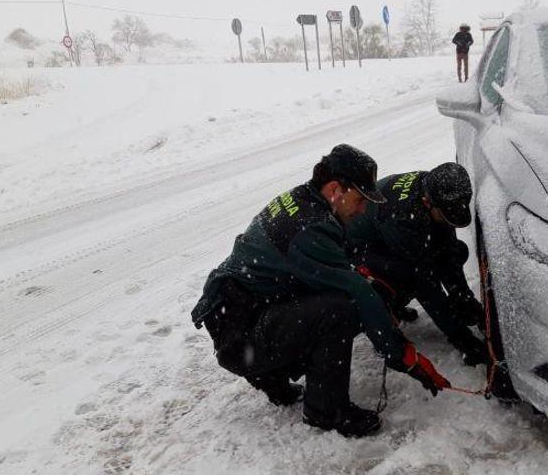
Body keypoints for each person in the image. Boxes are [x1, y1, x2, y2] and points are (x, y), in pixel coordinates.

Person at [190, 144, 451, 438]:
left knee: (337, 299)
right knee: (342, 309)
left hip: (238, 320)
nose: (364, 208)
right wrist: (405, 356)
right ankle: (326, 410)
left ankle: (271, 376)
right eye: (361, 199)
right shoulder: (307, 227)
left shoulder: (306, 202)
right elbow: (357, 293)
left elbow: (336, 259)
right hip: (240, 334)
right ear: (335, 189)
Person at [346, 163, 489, 368]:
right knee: (409, 275)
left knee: (456, 251)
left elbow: (447, 251)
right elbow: (427, 287)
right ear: (427, 202)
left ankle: (401, 300)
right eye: (445, 216)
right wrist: (463, 339)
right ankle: (388, 308)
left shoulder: (438, 188)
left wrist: (463, 297)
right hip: (361, 251)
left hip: (390, 232)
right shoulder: (402, 220)